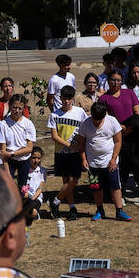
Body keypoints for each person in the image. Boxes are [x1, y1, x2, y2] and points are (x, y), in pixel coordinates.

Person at [74, 101, 132, 221]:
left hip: (109, 162)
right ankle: (100, 210)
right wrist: (84, 159)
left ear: (105, 114)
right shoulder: (85, 124)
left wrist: (113, 159)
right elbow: (81, 143)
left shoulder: (112, 121)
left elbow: (118, 141)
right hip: (93, 164)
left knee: (115, 186)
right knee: (96, 187)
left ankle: (119, 211)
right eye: (94, 119)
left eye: (99, 120)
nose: (96, 122)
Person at [48, 86, 88, 217]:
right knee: (67, 182)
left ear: (73, 99)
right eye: (64, 98)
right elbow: (54, 136)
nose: (66, 101)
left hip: (76, 153)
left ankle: (55, 201)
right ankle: (72, 209)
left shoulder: (80, 112)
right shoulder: (54, 115)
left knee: (74, 180)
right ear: (60, 98)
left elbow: (85, 130)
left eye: (69, 99)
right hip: (61, 153)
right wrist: (70, 146)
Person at [0, 93, 37, 191]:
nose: (17, 111)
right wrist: (7, 173)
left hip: (24, 160)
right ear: (10, 106)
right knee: (7, 187)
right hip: (10, 161)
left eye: (20, 108)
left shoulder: (28, 124)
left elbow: (29, 148)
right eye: (14, 107)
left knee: (23, 188)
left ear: (24, 108)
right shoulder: (3, 124)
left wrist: (12, 153)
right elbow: (3, 151)